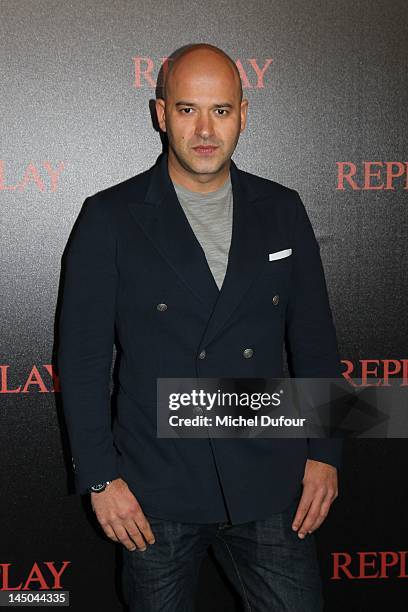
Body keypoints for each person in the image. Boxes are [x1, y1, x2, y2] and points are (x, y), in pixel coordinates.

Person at [57, 42, 343, 611]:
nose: (206, 129)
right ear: (160, 114)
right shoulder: (109, 217)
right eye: (188, 109)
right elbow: (83, 362)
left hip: (270, 484)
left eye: (221, 110)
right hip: (153, 494)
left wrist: (327, 451)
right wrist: (99, 479)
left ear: (243, 114)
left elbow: (315, 341)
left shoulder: (282, 208)